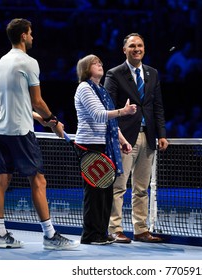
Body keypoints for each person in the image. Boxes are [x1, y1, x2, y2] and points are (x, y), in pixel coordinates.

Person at [0, 18, 79, 250]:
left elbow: (15, 101)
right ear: (23, 36)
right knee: (39, 181)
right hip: (21, 131)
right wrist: (53, 120)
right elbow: (37, 100)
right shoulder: (29, 62)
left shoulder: (2, 62)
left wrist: (40, 118)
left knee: (2, 180)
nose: (33, 37)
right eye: (31, 33)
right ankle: (50, 236)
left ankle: (0, 234)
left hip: (1, 129)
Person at [104, 32, 169, 243]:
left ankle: (141, 230)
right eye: (132, 46)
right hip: (124, 139)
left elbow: (157, 106)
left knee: (142, 188)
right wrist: (118, 136)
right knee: (118, 186)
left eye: (140, 45)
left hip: (148, 138)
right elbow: (108, 109)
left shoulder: (152, 73)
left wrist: (161, 134)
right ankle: (114, 228)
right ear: (125, 50)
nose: (137, 49)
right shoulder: (114, 74)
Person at [74, 54, 136, 245]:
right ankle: (90, 235)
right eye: (95, 63)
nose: (100, 65)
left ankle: (101, 232)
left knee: (105, 191)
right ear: (86, 68)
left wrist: (123, 141)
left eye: (101, 62)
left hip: (104, 144)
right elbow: (99, 115)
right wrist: (123, 112)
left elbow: (112, 125)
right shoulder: (84, 88)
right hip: (89, 145)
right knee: (94, 193)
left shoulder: (100, 90)